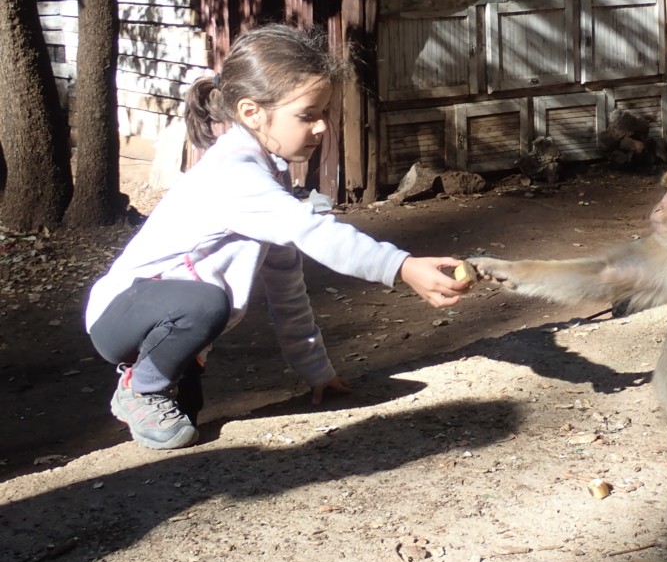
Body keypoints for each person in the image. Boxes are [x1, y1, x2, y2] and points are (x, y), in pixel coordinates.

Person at [85, 23, 470, 451]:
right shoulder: (236, 174)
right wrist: (400, 265)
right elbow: (314, 232)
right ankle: (140, 389)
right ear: (252, 113)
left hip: (168, 320)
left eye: (324, 113)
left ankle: (156, 385)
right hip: (122, 314)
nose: (322, 127)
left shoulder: (269, 179)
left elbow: (287, 287)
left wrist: (317, 370)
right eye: (308, 115)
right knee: (206, 304)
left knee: (185, 428)